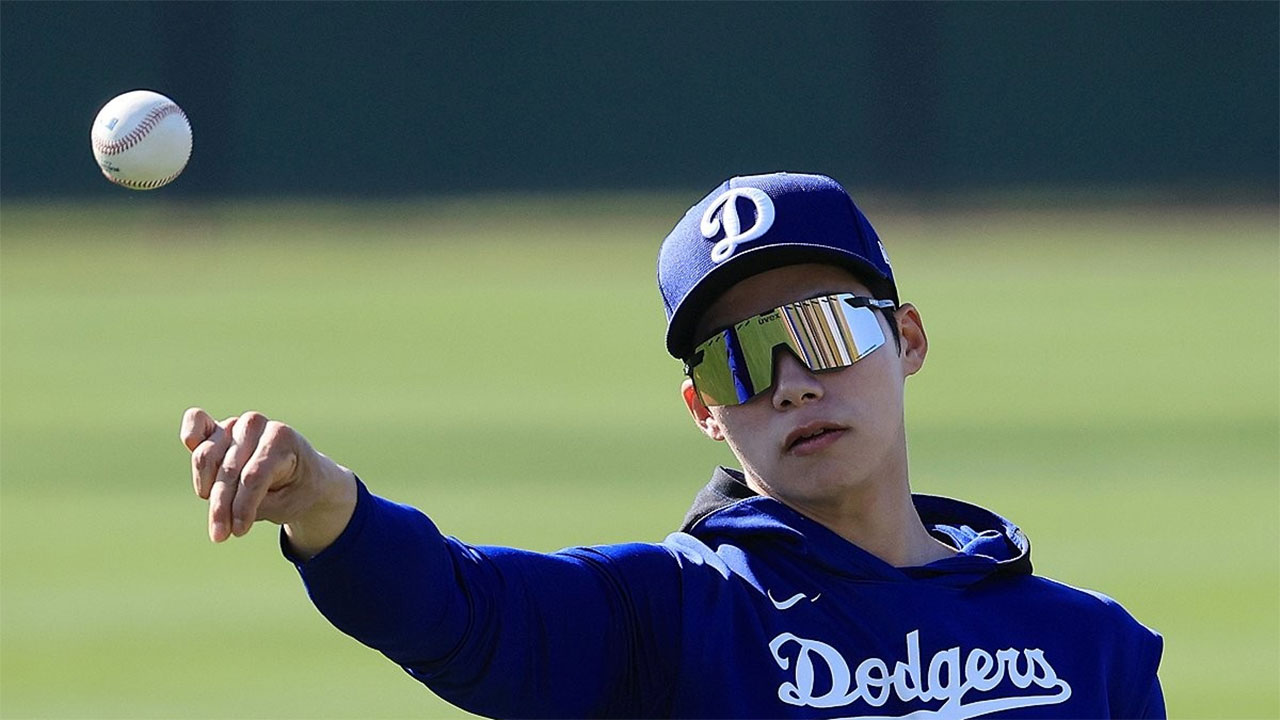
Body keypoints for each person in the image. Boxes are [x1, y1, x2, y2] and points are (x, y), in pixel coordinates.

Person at [180, 172, 1164, 718]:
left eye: (823, 329)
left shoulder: (1090, 647)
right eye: (739, 359)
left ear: (904, 339)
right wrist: (325, 504)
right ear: (703, 410)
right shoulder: (669, 616)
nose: (790, 382)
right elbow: (462, 612)